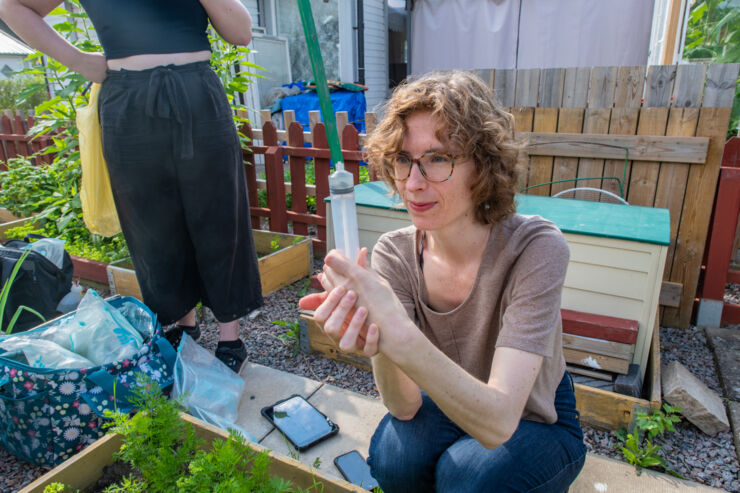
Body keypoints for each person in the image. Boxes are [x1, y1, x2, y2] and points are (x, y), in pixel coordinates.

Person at [300, 71, 587, 492]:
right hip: (447, 392)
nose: (413, 183)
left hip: (538, 413)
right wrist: (378, 334)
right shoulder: (394, 253)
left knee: (465, 476)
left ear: (484, 166)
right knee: (392, 459)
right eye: (402, 159)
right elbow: (404, 406)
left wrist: (398, 332)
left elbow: (498, 421)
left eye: (438, 158)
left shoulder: (535, 248)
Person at [0, 0, 263, 372]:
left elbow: (240, 33)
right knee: (151, 224)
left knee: (219, 216)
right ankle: (185, 325)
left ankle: (230, 336)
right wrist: (77, 60)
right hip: (127, 100)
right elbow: (14, 6)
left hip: (196, 95)